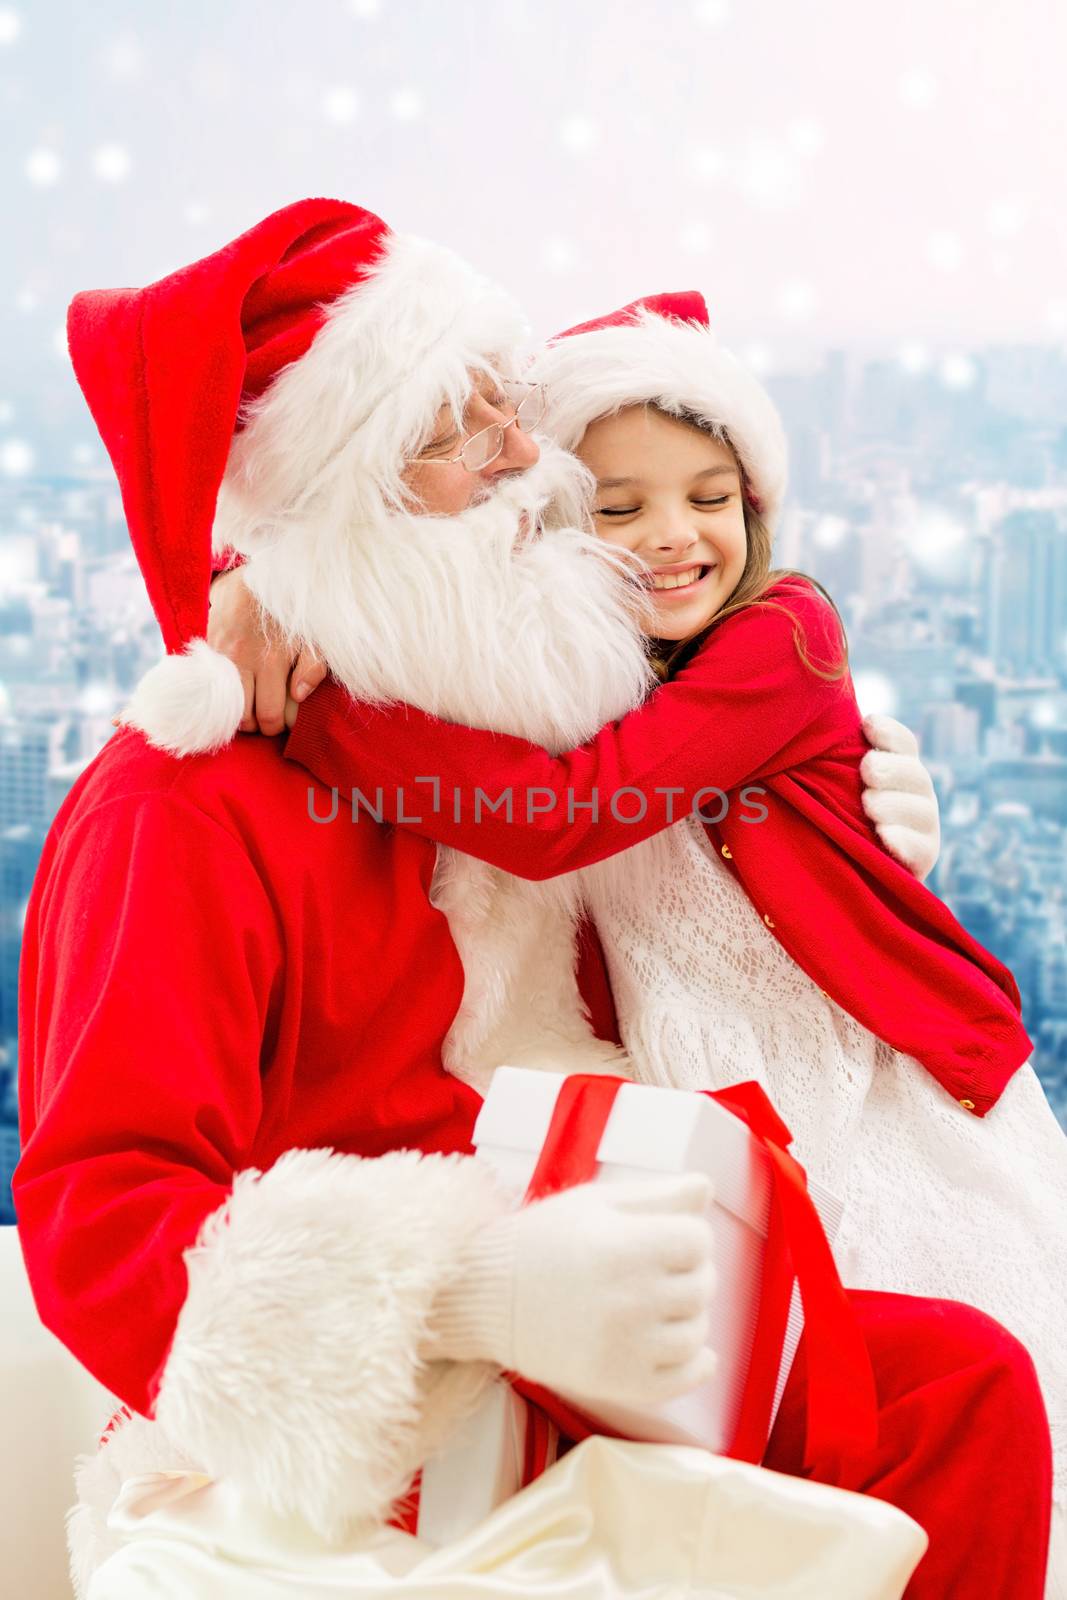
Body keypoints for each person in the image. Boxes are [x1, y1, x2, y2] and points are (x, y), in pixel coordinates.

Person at [14, 202, 1050, 1598]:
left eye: (517, 411)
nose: (529, 463)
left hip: (608, 1307)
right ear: (345, 494)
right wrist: (468, 1297)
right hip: (381, 1417)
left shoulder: (479, 734)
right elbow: (102, 1210)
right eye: (464, 430)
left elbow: (651, 758)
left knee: (964, 1392)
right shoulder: (176, 809)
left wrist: (844, 811)